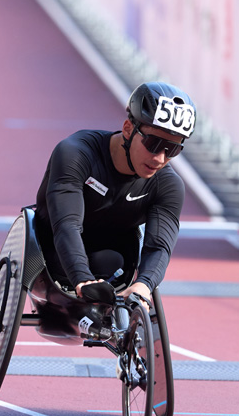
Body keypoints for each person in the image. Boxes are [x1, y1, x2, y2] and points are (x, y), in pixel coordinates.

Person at [33, 82, 196, 310]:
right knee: (66, 263)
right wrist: (82, 278)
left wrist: (144, 285)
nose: (160, 158)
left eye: (172, 149)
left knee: (113, 263)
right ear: (128, 129)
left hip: (108, 255)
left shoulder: (168, 185)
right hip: (51, 247)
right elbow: (66, 225)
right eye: (153, 143)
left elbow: (159, 246)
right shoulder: (75, 154)